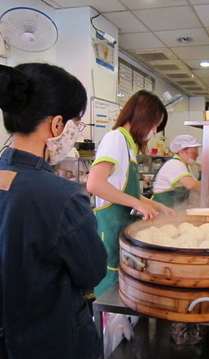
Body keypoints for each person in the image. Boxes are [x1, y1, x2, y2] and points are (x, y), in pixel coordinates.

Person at [0, 63, 107, 359]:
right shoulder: (63, 195)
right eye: (76, 124)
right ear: (57, 125)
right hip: (50, 349)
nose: (75, 134)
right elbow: (91, 271)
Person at [87, 90, 174, 297]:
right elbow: (95, 184)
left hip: (124, 236)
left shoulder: (127, 146)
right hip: (111, 234)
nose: (154, 131)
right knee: (111, 301)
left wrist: (157, 206)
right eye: (154, 124)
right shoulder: (115, 138)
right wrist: (138, 205)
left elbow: (125, 190)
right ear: (142, 116)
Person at [151, 134, 209, 210]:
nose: (197, 155)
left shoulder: (185, 165)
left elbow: (193, 187)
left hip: (173, 209)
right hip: (163, 209)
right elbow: (191, 185)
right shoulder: (175, 164)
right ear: (182, 152)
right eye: (194, 152)